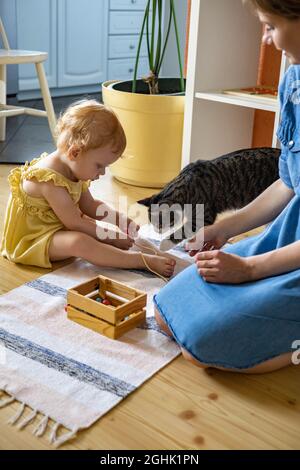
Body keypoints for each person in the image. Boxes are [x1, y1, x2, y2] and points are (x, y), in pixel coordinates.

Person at [154, 0, 300, 373]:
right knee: (166, 314)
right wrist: (224, 228)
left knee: (200, 346)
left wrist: (249, 269)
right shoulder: (293, 81)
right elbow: (288, 183)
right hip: (287, 241)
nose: (265, 40)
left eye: (269, 26)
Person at [1, 99, 175, 278]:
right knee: (80, 241)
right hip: (34, 240)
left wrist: (119, 220)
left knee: (91, 228)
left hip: (57, 228)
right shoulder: (49, 180)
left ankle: (116, 252)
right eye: (99, 165)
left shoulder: (74, 167)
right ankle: (139, 260)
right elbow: (74, 222)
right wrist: (110, 236)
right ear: (75, 152)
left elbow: (90, 205)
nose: (102, 173)